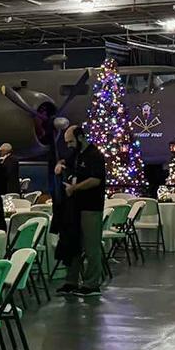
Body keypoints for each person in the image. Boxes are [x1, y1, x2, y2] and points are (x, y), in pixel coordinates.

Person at [54, 122, 107, 296]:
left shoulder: (94, 155)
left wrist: (74, 188)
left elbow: (95, 180)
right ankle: (71, 281)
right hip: (75, 208)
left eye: (70, 142)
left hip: (91, 207)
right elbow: (64, 161)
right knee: (73, 244)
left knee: (91, 247)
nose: (69, 145)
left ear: (80, 138)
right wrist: (60, 165)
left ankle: (91, 284)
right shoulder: (76, 154)